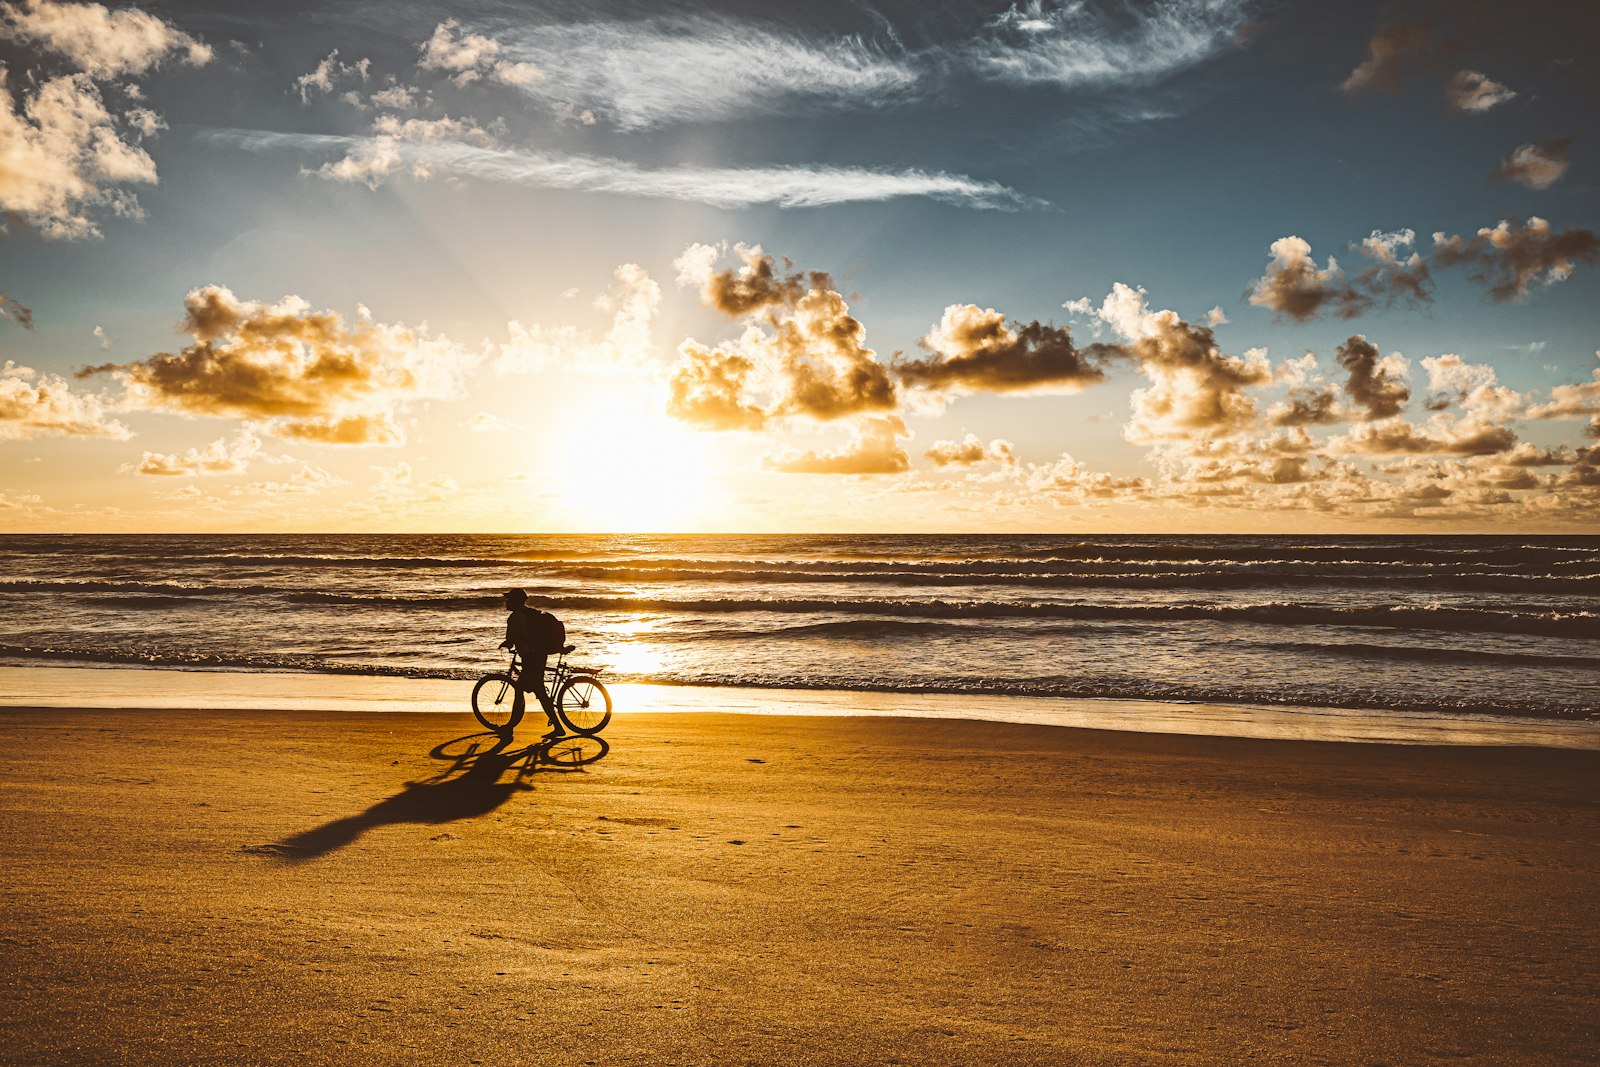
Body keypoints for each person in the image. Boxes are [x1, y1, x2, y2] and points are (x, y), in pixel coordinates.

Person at [498, 588, 564, 738]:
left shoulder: (515, 617)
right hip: (539, 655)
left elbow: (511, 640)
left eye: (509, 599)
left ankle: (509, 728)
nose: (506, 602)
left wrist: (505, 645)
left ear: (515, 601)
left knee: (523, 690)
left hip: (531, 658)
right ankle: (557, 727)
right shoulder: (531, 613)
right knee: (536, 691)